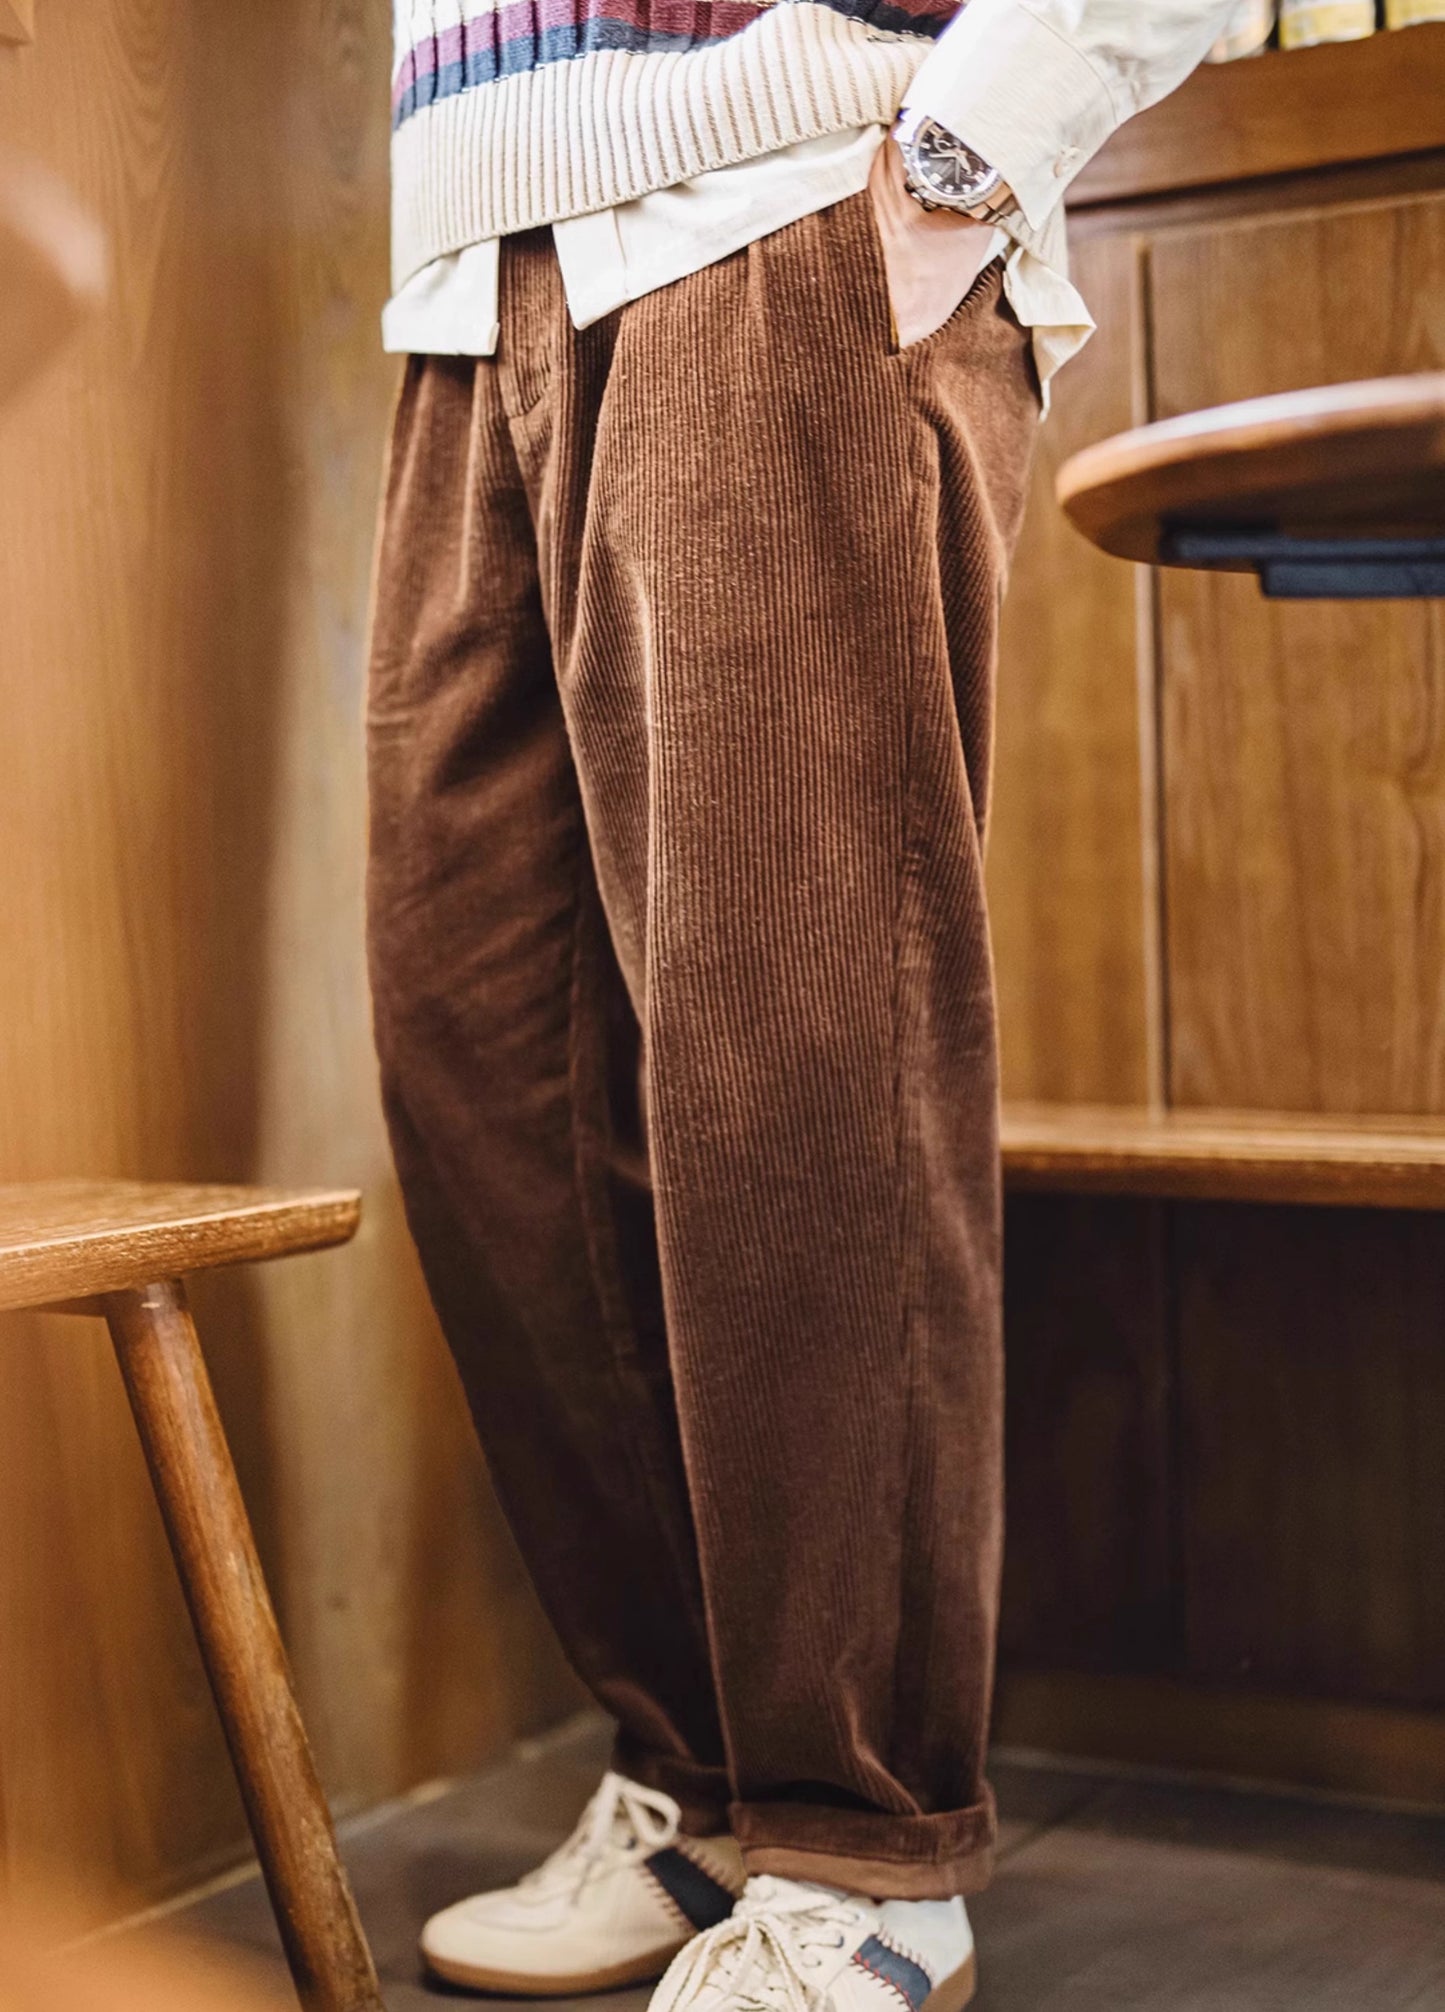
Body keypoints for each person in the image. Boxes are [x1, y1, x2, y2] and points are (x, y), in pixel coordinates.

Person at [366, 3, 1240, 2004]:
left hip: (783, 212)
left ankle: (864, 1844)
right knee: (485, 1074)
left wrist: (969, 152)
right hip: (470, 285)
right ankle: (701, 1786)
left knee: (805, 1060)